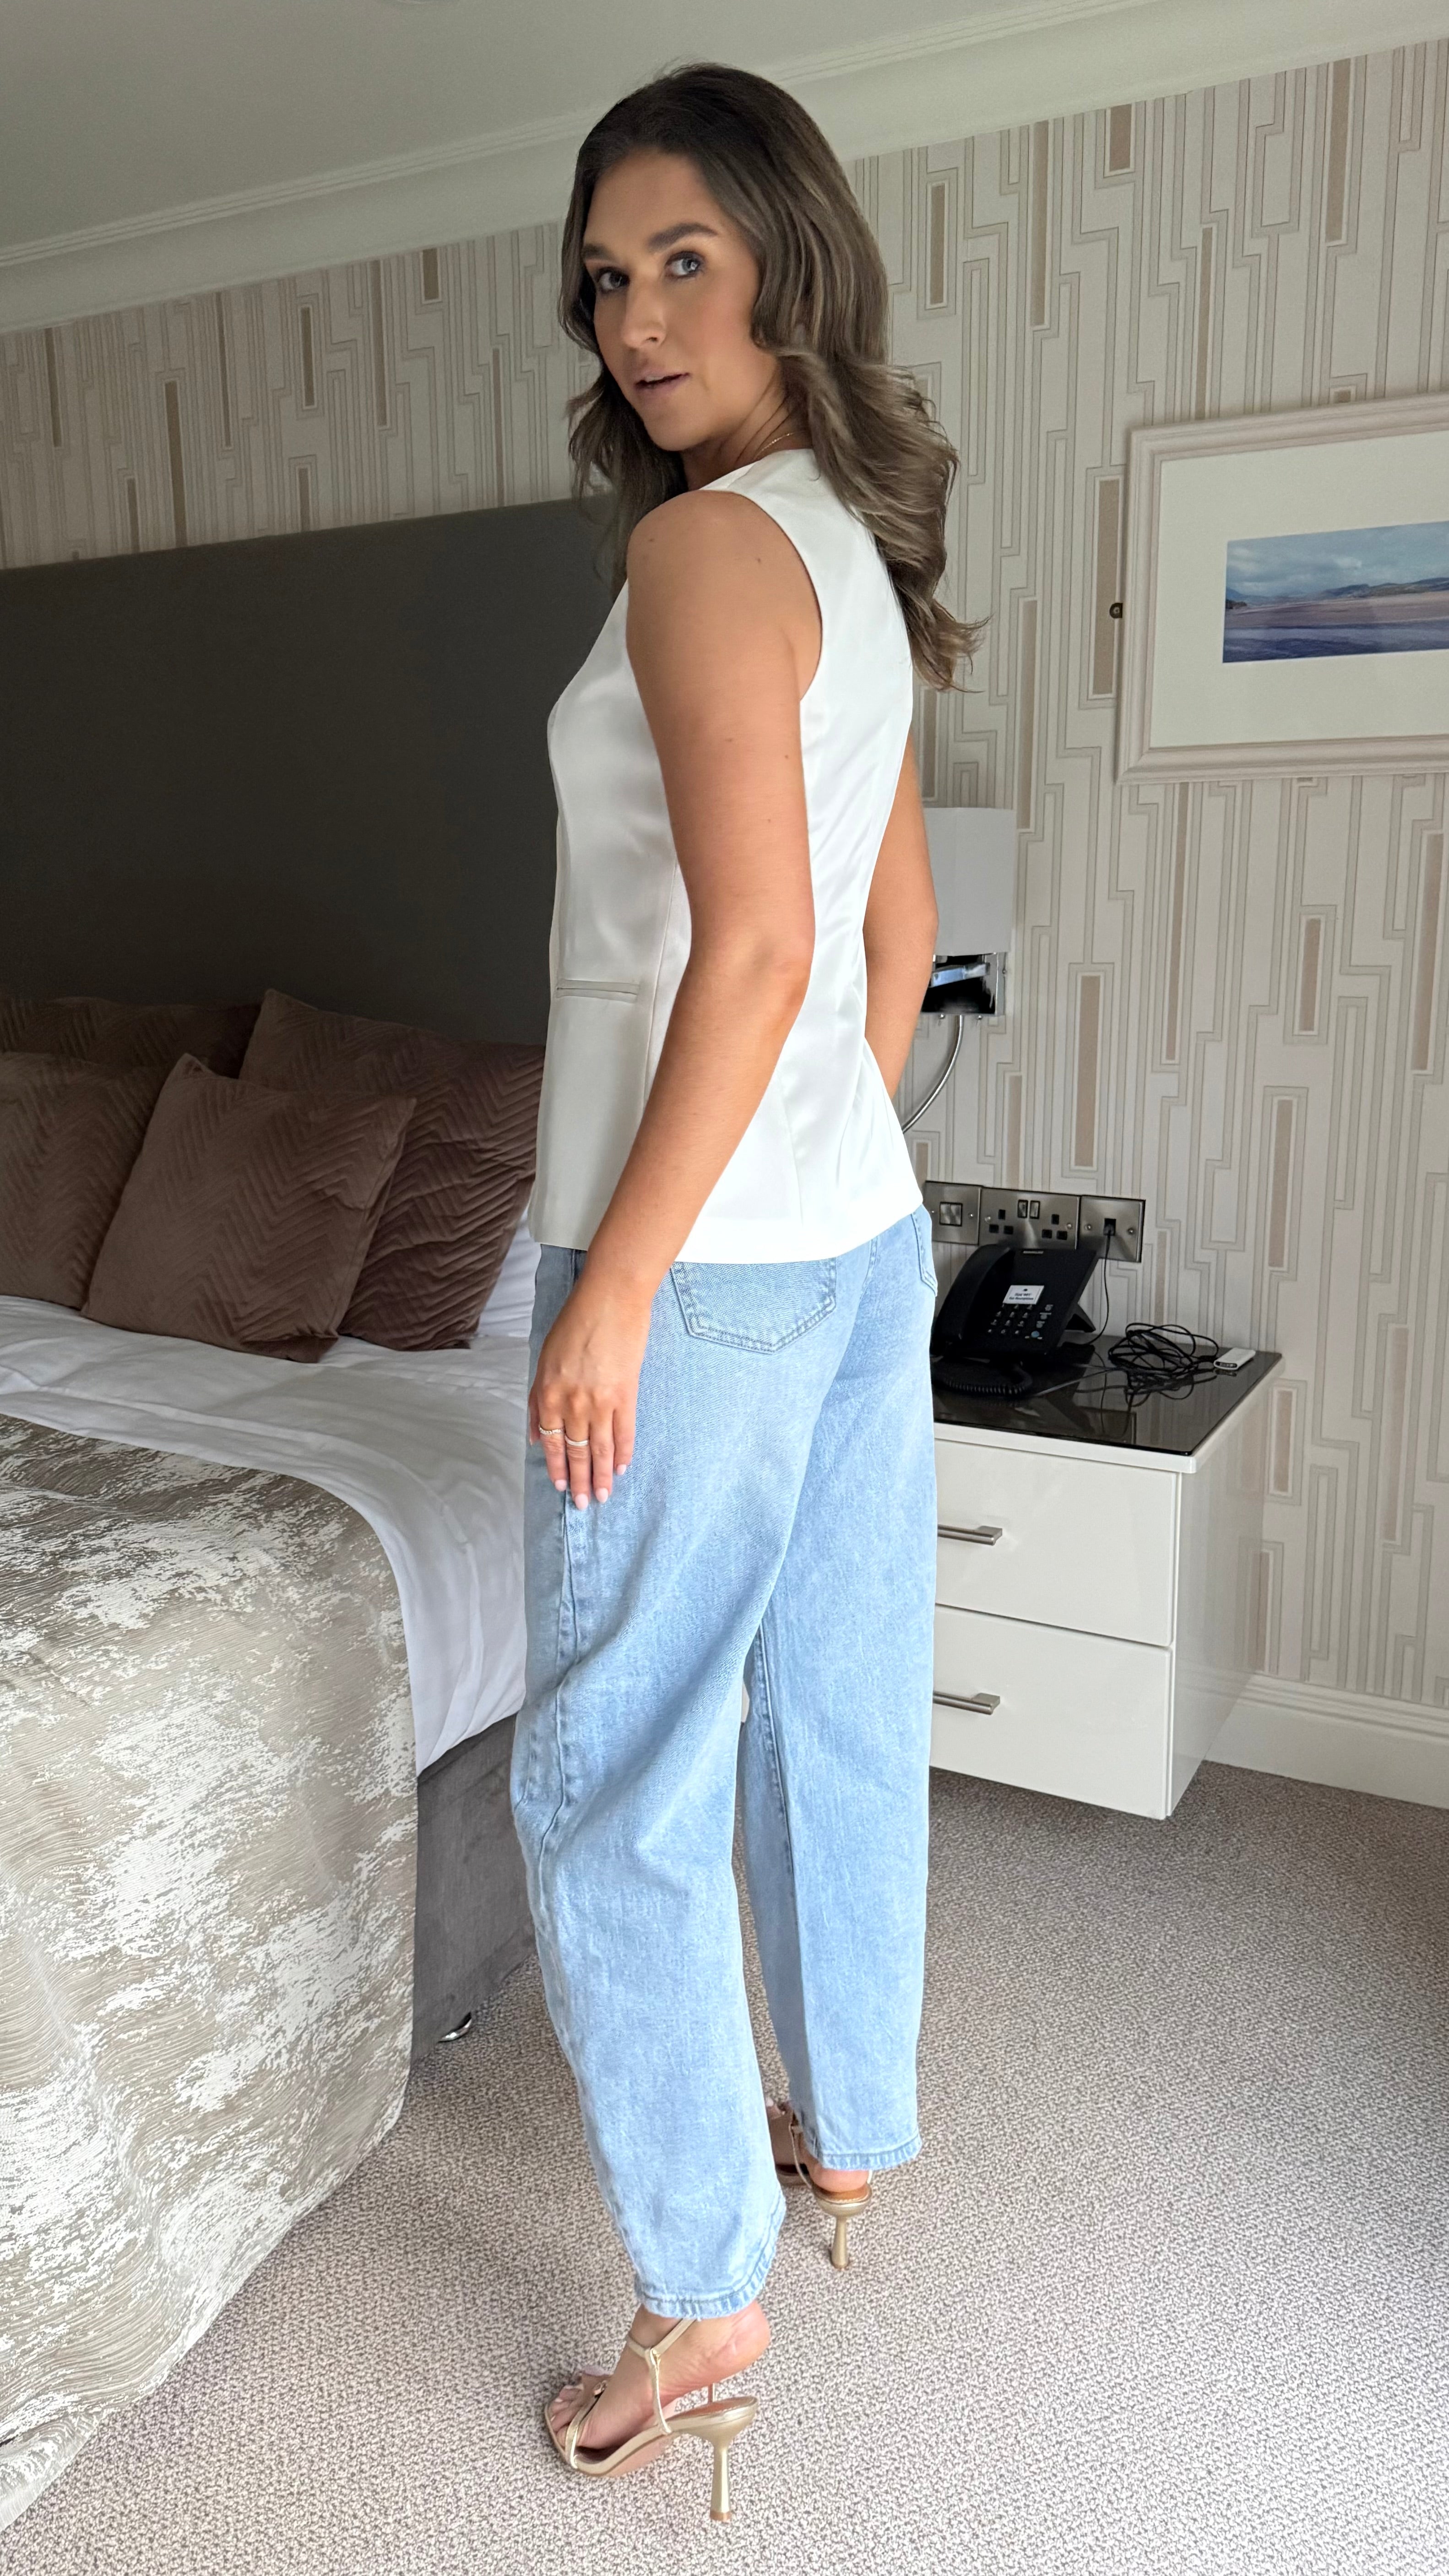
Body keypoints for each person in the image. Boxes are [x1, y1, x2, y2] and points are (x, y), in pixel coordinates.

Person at [510, 60, 977, 2523]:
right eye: (610, 278)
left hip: (690, 1260)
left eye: (683, 258)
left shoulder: (704, 552)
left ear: (790, 259)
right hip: (848, 1240)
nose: (637, 314)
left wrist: (624, 1286)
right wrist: (816, 1172)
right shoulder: (850, 559)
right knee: (831, 1695)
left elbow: (763, 945)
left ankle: (700, 2304)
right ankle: (851, 2124)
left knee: (610, 1777)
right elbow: (893, 948)